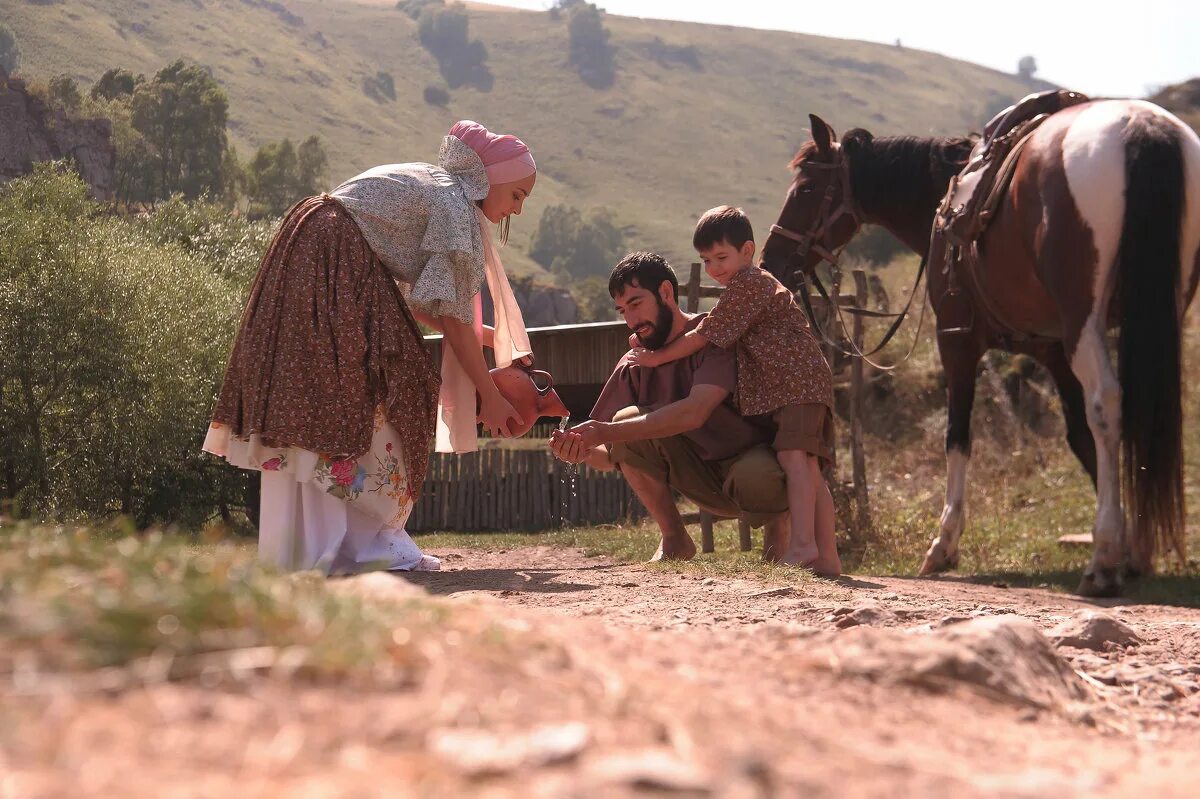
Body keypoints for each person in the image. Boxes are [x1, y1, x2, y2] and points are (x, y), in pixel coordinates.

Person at [203, 120, 537, 574]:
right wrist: (493, 399)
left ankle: (342, 541)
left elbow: (432, 307)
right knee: (388, 383)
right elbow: (454, 323)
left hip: (316, 247)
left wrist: (496, 341)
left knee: (332, 392)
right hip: (332, 256)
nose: (516, 209)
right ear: (490, 179)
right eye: (517, 194)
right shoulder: (456, 210)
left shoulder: (442, 191)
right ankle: (364, 542)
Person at [627, 206, 840, 575]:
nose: (714, 268)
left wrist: (655, 358)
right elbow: (713, 326)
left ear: (748, 251)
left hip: (796, 383)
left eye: (721, 257)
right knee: (808, 467)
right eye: (706, 260)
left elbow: (701, 335)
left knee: (795, 461)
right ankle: (827, 558)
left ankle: (804, 544)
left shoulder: (753, 283)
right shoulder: (747, 289)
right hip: (797, 384)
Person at [550, 251, 791, 562]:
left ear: (665, 292)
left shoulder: (713, 335)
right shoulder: (634, 364)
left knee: (757, 474)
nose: (631, 320)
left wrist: (604, 431)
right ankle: (674, 538)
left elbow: (695, 412)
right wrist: (578, 450)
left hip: (751, 466)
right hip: (697, 477)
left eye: (636, 304)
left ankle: (778, 539)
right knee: (626, 420)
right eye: (623, 310)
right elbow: (613, 456)